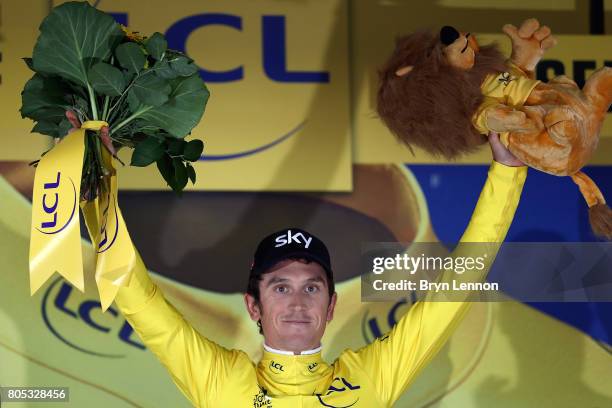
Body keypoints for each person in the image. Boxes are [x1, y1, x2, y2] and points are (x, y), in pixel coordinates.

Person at [114, 132, 526, 407]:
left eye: (311, 288)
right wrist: (96, 183)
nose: (297, 301)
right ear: (253, 306)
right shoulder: (220, 382)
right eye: (279, 287)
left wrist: (507, 174)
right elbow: (136, 297)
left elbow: (455, 286)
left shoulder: (370, 379)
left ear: (331, 306)